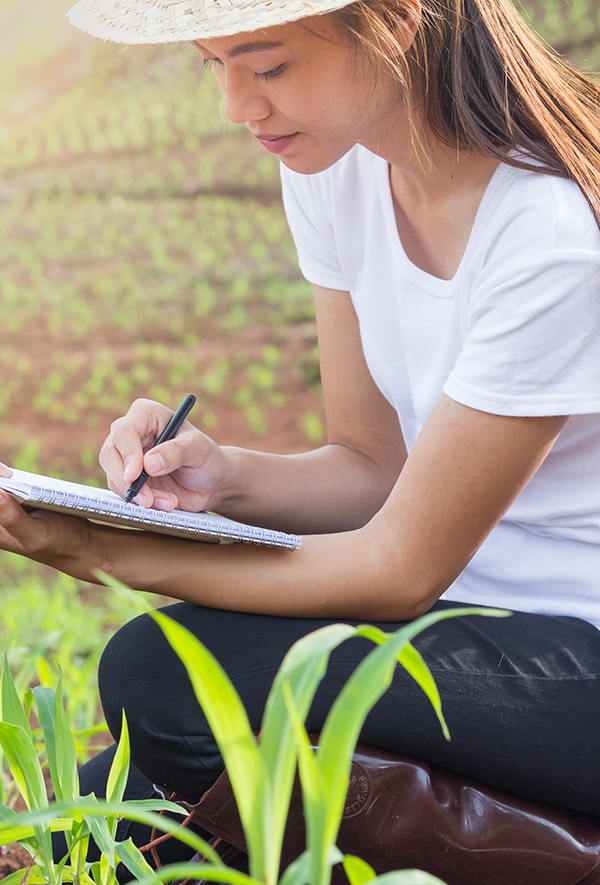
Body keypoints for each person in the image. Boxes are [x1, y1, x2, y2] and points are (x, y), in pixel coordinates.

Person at [2, 0, 600, 873]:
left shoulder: (546, 239)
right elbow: (370, 465)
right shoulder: (334, 171)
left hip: (573, 653)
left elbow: (399, 567)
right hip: (459, 615)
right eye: (213, 65)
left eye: (269, 66)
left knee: (161, 672)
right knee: (97, 798)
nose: (236, 105)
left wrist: (104, 552)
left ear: (397, 27)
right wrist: (222, 475)